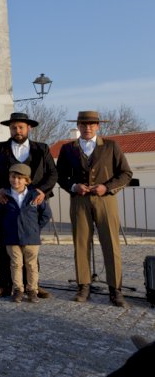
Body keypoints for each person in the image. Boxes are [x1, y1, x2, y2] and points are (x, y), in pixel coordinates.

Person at [57, 111, 133, 307]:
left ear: (98, 126)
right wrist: (74, 186)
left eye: (91, 124)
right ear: (79, 126)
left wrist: (106, 187)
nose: (87, 127)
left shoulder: (110, 146)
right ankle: (83, 286)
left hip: (105, 200)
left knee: (111, 244)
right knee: (81, 244)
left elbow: (126, 173)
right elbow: (60, 175)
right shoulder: (68, 149)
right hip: (79, 201)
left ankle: (115, 290)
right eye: (83, 124)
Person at [0, 112, 57, 299]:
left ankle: (33, 285)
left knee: (30, 247)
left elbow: (52, 174)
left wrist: (42, 191)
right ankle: (4, 285)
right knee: (5, 245)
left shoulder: (41, 149)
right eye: (13, 127)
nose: (17, 130)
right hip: (7, 203)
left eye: (20, 127)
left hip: (32, 206)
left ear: (28, 128)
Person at [0, 164, 52, 303]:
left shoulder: (34, 195)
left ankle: (32, 290)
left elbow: (45, 214)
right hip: (12, 237)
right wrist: (6, 230)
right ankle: (18, 289)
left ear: (27, 180)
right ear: (9, 178)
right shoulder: (5, 195)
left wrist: (35, 229)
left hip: (31, 238)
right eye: (13, 177)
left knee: (31, 265)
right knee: (15, 264)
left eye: (20, 178)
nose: (16, 181)